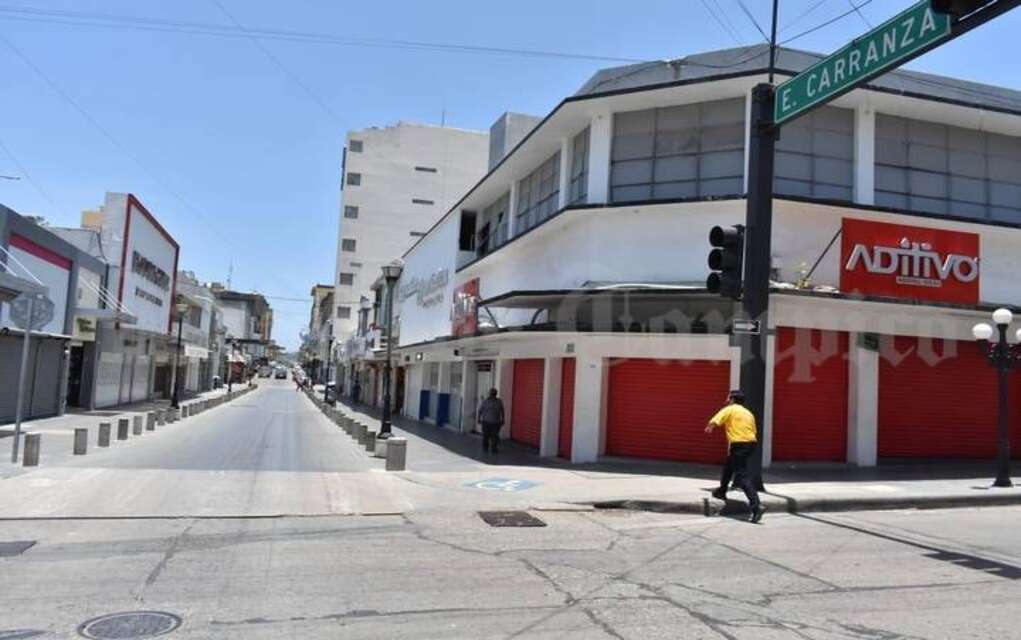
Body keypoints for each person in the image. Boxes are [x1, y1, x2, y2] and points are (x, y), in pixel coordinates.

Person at [705, 390, 765, 523]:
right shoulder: (748, 413)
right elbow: (753, 430)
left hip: (739, 444)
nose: (727, 399)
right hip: (751, 444)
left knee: (742, 476)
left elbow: (715, 420)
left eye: (728, 397)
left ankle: (756, 506)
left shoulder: (730, 409)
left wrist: (710, 427)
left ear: (732, 399)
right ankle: (722, 491)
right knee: (729, 466)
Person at [477, 388, 505, 454]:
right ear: (489, 394)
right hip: (486, 422)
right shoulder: (485, 401)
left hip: (496, 423)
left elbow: (502, 411)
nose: (492, 395)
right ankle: (485, 448)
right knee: (485, 436)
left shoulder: (499, 401)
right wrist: (478, 419)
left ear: (495, 394)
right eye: (491, 393)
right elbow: (480, 411)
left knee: (495, 437)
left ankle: (494, 448)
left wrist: (503, 419)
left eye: (494, 393)